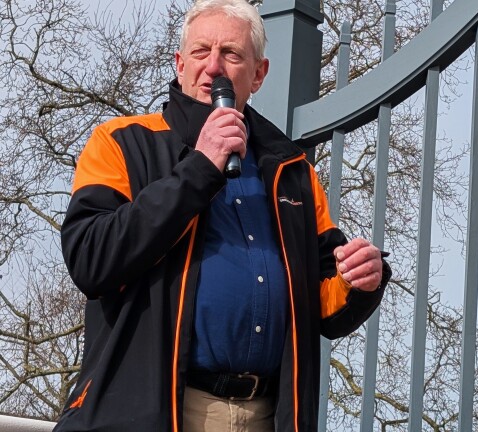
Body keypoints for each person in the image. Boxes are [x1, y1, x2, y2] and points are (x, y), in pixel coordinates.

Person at [54, 0, 390, 430]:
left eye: (231, 54)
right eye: (200, 52)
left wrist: (359, 280)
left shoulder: (293, 172)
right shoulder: (121, 142)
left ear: (259, 74)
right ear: (179, 64)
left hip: (267, 413)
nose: (213, 66)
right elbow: (91, 258)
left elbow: (324, 306)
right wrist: (200, 166)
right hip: (159, 411)